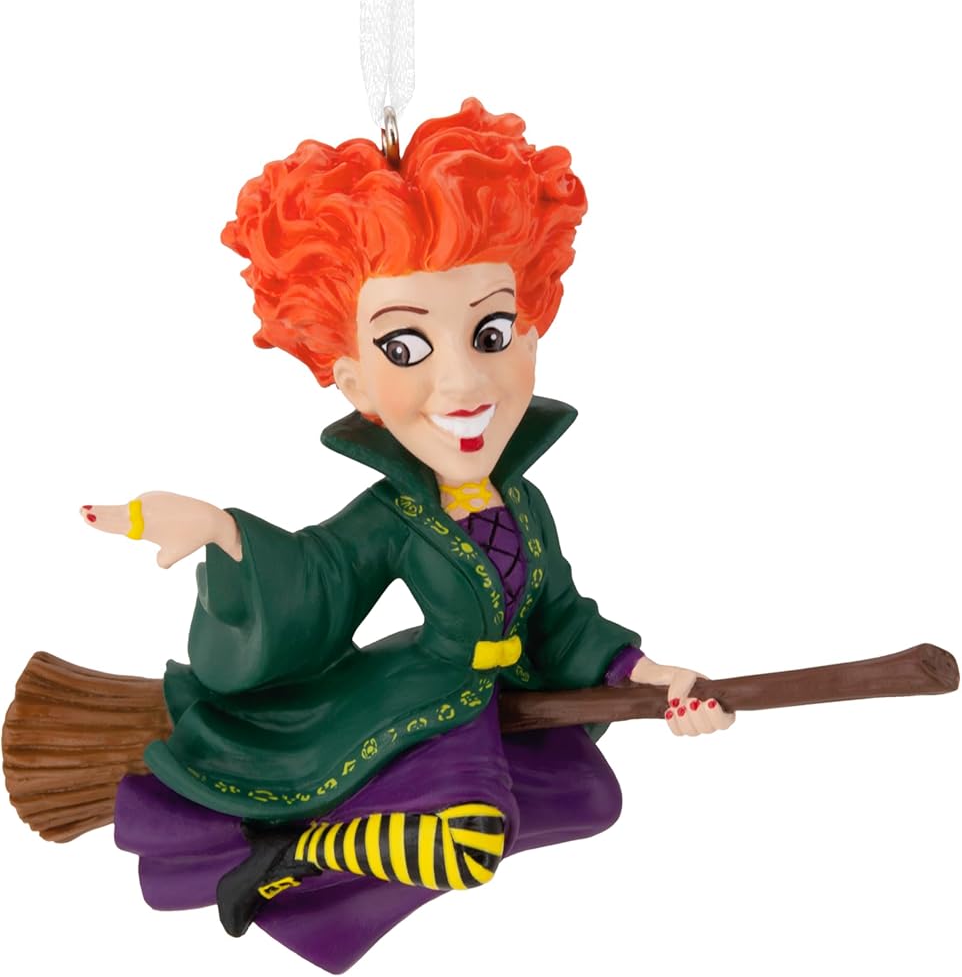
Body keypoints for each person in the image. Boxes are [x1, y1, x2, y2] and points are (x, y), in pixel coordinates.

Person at [79, 98, 734, 973]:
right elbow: (319, 575)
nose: (463, 383)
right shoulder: (394, 516)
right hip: (426, 702)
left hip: (507, 698)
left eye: (490, 333)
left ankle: (292, 852)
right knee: (466, 843)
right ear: (354, 380)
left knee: (589, 801)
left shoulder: (526, 504)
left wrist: (658, 681)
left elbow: (564, 620)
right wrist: (223, 534)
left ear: (531, 336)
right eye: (405, 348)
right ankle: (292, 853)